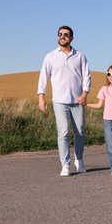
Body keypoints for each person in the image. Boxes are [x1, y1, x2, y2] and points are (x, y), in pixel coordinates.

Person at [37, 25, 91, 177]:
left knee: (80, 132)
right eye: (60, 34)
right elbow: (43, 77)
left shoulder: (80, 56)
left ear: (71, 38)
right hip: (59, 101)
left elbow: (87, 75)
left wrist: (85, 93)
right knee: (63, 132)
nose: (62, 36)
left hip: (77, 100)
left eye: (66, 34)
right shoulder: (50, 56)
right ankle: (65, 165)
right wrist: (41, 97)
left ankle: (79, 160)